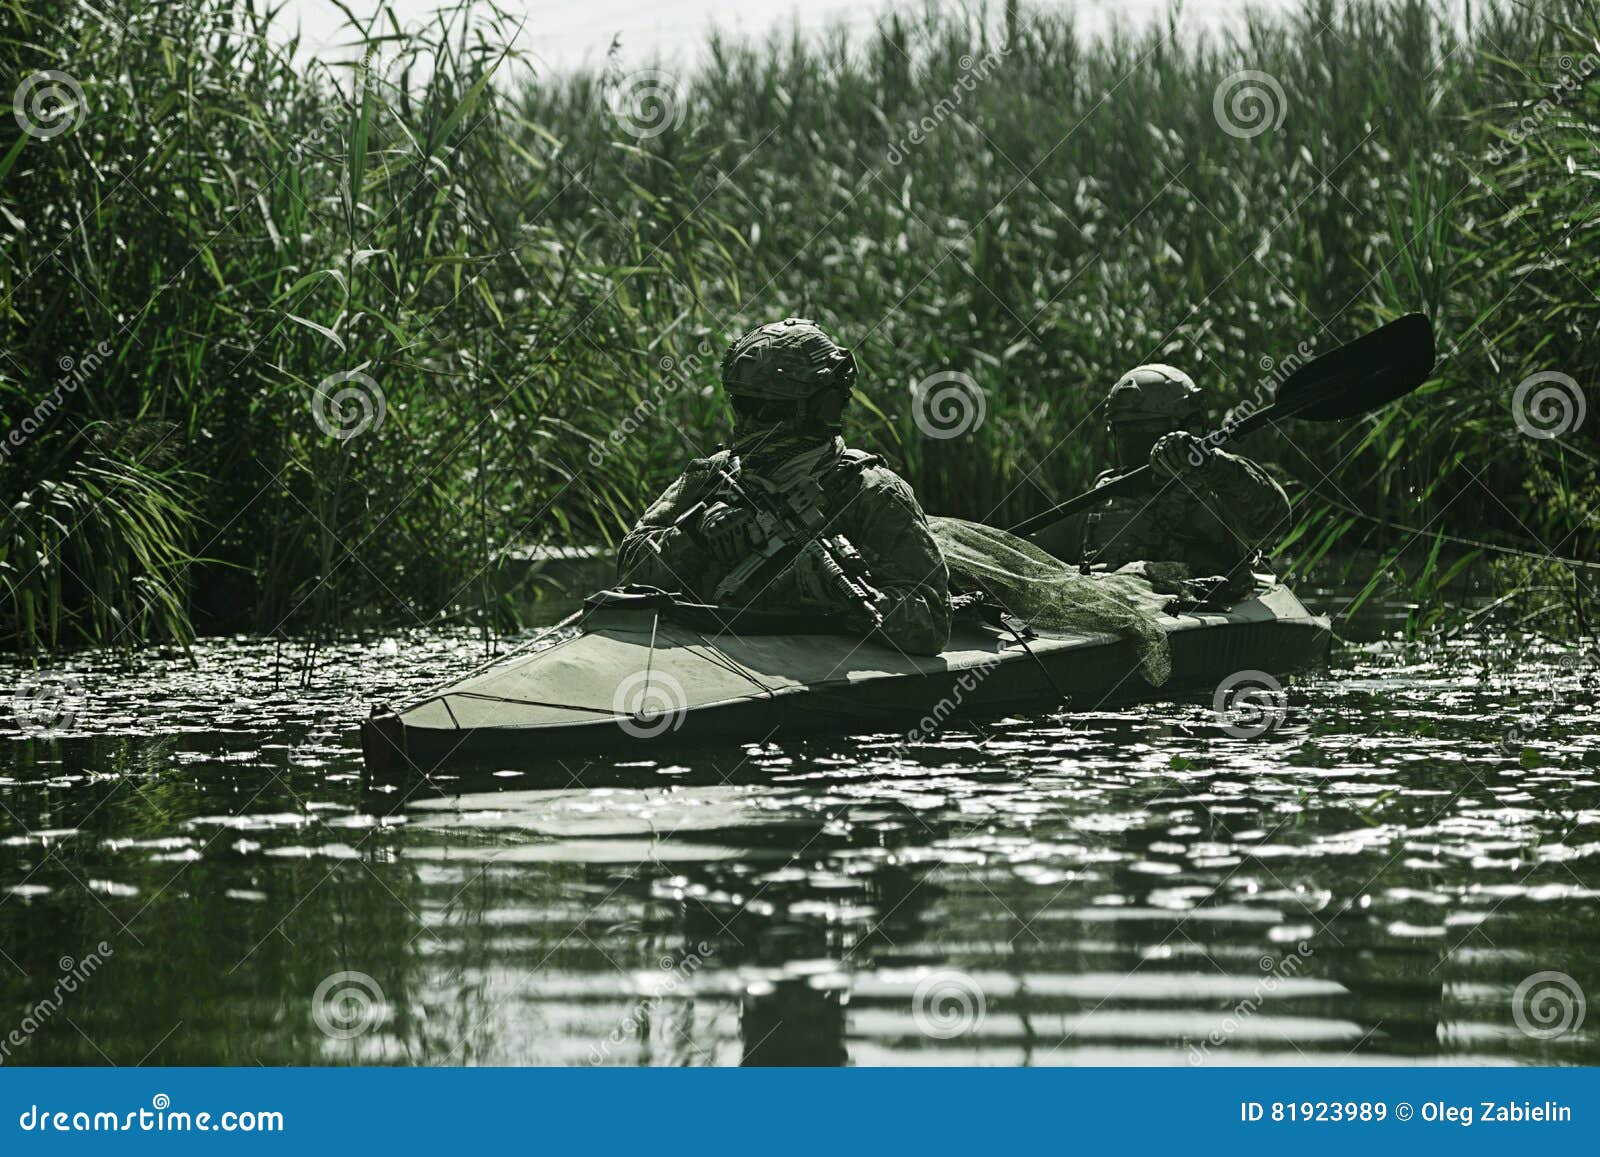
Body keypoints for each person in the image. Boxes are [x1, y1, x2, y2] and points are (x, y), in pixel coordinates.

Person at [617, 317, 951, 655]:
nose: (745, 423)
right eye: (740, 404)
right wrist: (693, 535)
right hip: (695, 655)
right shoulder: (713, 475)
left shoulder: (872, 493)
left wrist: (834, 595)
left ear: (818, 408)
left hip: (807, 669)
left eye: (763, 409)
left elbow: (933, 621)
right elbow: (629, 567)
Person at [1077, 364, 1291, 594]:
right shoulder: (1105, 490)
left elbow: (1277, 521)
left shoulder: (1218, 481)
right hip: (1118, 608)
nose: (1133, 441)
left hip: (1207, 610)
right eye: (1124, 430)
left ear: (1189, 427)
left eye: (1149, 427)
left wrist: (1208, 461)